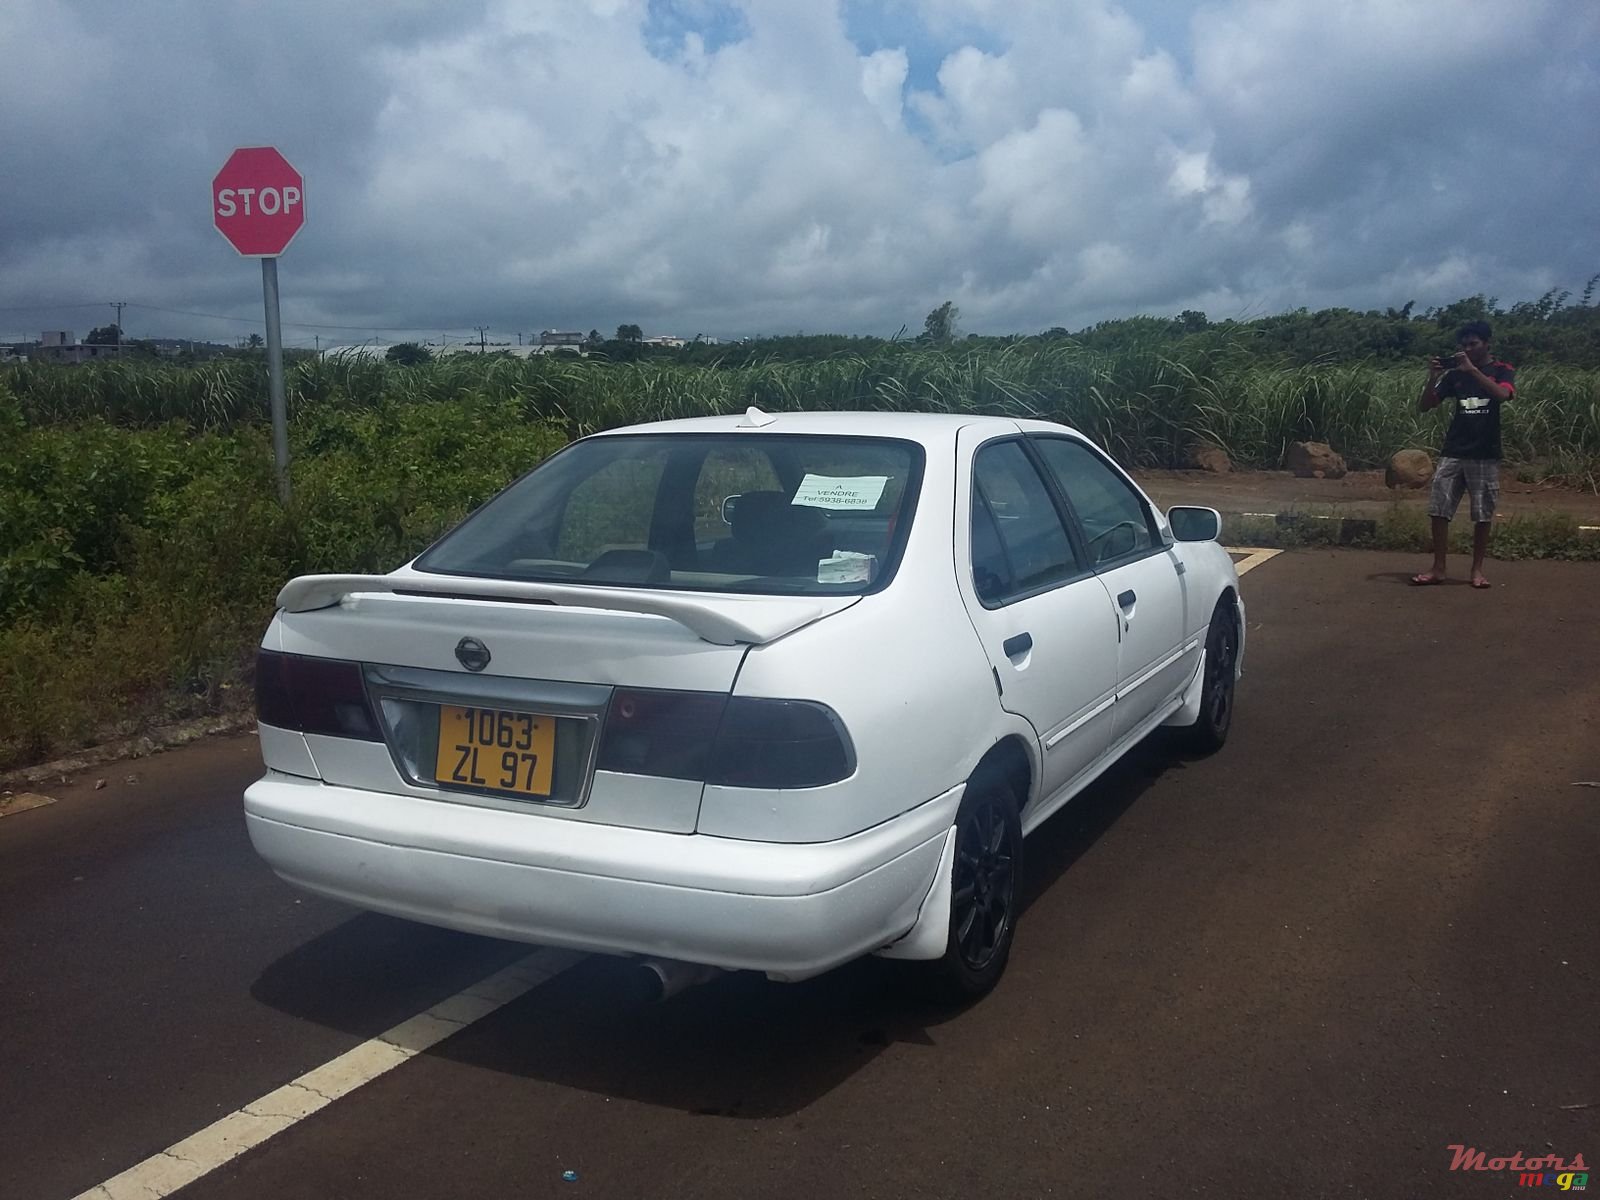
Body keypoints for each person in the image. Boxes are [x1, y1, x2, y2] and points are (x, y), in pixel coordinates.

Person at [1410, 321, 1515, 589]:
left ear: (1487, 343)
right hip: (1454, 449)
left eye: (1473, 344)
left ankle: (1476, 570)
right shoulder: (1455, 376)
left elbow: (1503, 395)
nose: (1467, 349)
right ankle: (1438, 568)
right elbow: (1426, 406)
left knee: (1482, 514)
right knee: (1438, 509)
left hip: (1485, 451)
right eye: (1464, 345)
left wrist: (1473, 371)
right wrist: (1433, 377)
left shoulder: (1502, 369)